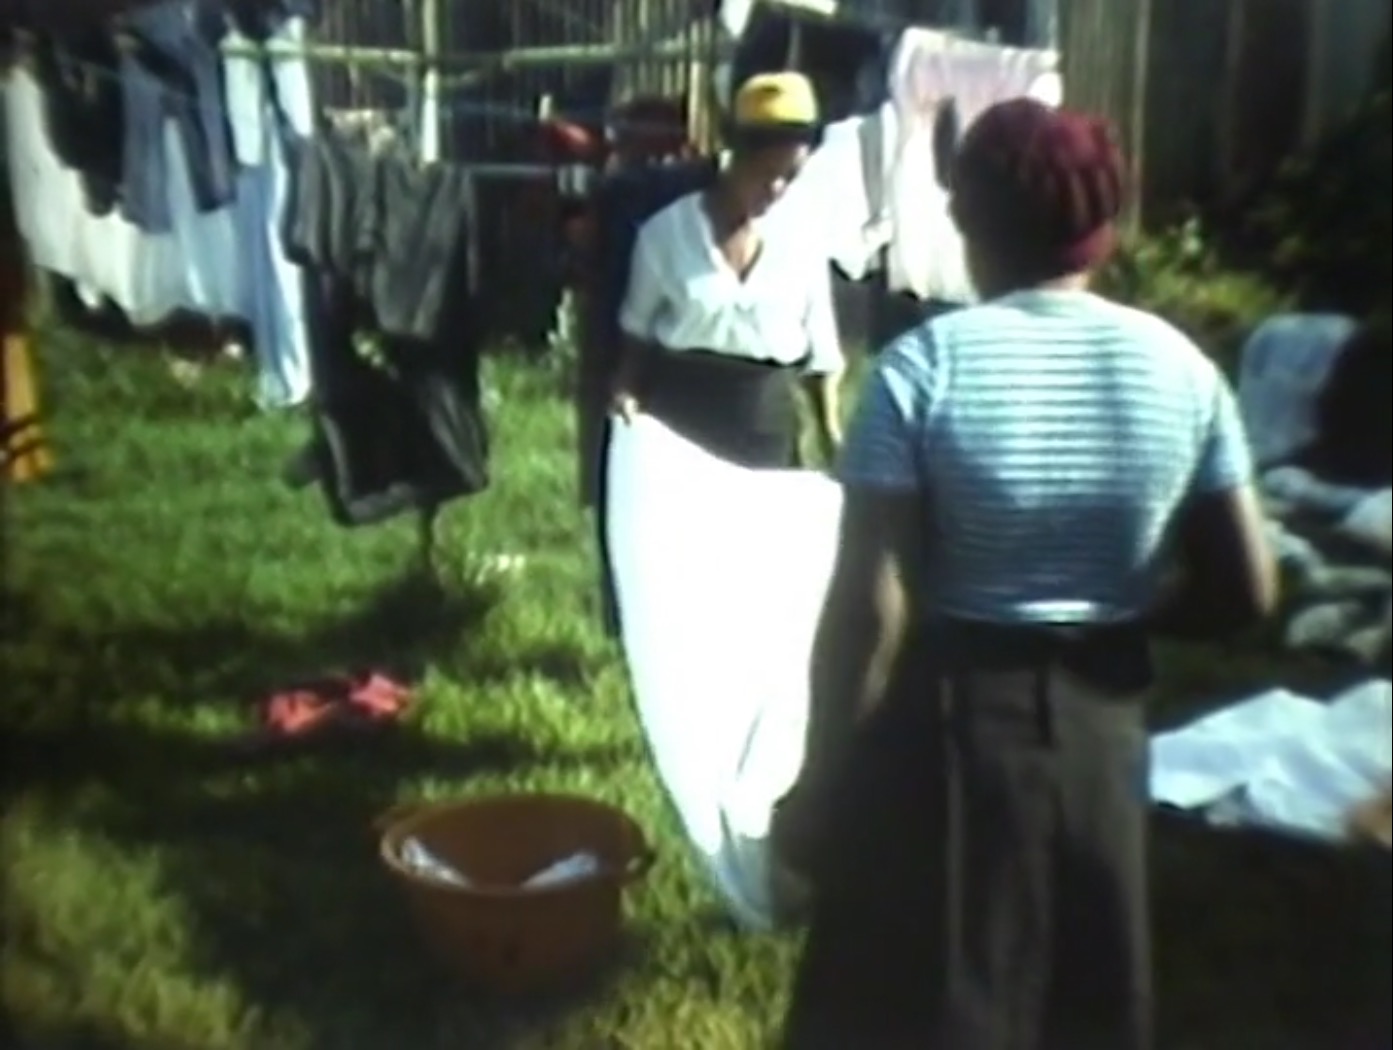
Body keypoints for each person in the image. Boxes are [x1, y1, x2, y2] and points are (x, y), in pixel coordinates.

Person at [772, 98, 1279, 1049]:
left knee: (922, 992)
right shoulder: (1182, 371)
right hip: (1101, 719)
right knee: (1079, 990)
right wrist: (1122, 608)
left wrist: (822, 779)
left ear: (967, 222)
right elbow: (1245, 591)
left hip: (948, 723)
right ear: (1105, 226)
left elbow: (869, 610)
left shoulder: (922, 369)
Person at [608, 71, 845, 469]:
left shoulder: (804, 235)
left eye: (789, 177)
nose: (776, 189)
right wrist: (626, 398)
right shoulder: (666, 234)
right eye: (765, 174)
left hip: (768, 432)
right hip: (681, 430)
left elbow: (822, 356)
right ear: (734, 155)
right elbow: (635, 340)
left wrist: (831, 436)